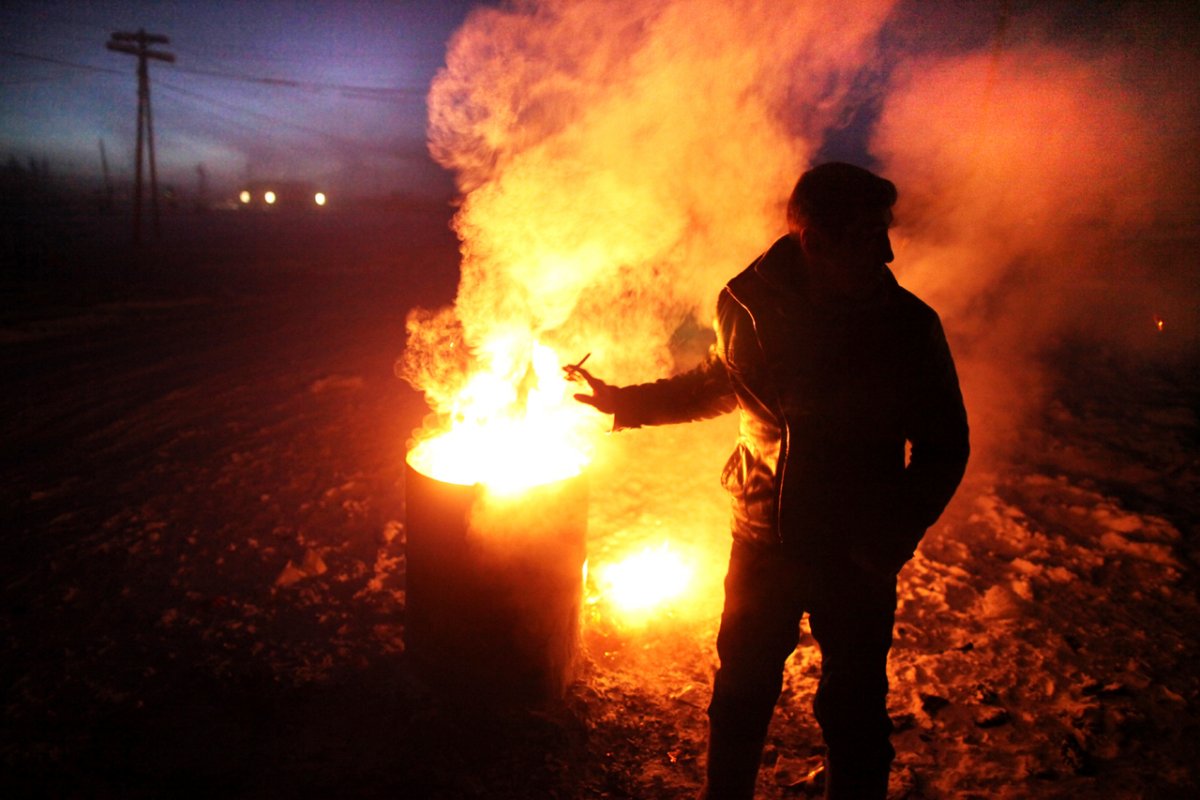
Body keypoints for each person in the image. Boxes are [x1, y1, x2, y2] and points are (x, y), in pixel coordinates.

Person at [569, 162, 970, 799]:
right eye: (869, 234)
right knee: (741, 691)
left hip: (856, 553)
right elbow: (717, 385)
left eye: (885, 231)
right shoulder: (746, 306)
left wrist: (889, 539)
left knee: (855, 707)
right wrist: (624, 403)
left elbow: (945, 447)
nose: (888, 251)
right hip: (762, 536)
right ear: (815, 240)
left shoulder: (907, 325)